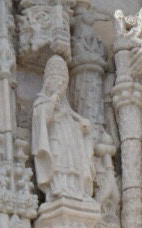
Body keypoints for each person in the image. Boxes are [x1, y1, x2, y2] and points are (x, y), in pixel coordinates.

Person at [31, 55, 95, 202]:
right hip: (55, 140)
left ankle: (75, 190)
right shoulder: (42, 103)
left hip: (69, 143)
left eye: (63, 81)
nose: (60, 84)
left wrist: (82, 128)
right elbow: (44, 119)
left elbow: (77, 125)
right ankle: (58, 188)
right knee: (58, 162)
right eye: (57, 80)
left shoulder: (67, 109)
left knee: (72, 163)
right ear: (48, 82)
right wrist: (54, 97)